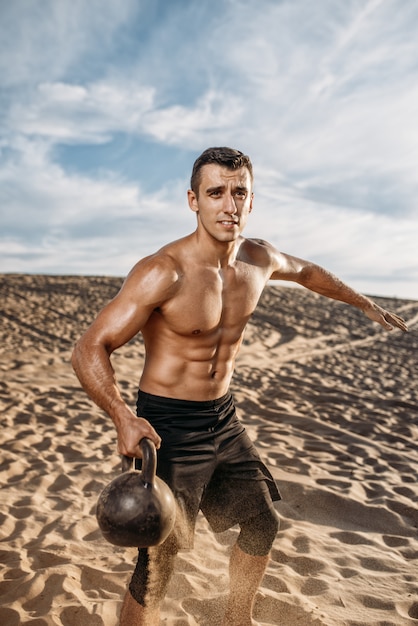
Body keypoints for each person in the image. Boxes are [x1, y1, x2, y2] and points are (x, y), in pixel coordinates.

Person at [71, 147, 408, 626]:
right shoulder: (163, 271)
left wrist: (363, 303)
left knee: (261, 524)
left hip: (222, 419)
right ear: (194, 200)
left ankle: (236, 618)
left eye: (239, 192)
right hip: (168, 425)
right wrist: (124, 417)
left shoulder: (258, 259)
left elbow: (309, 272)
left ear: (252, 202)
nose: (229, 204)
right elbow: (89, 348)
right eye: (216, 193)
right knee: (159, 561)